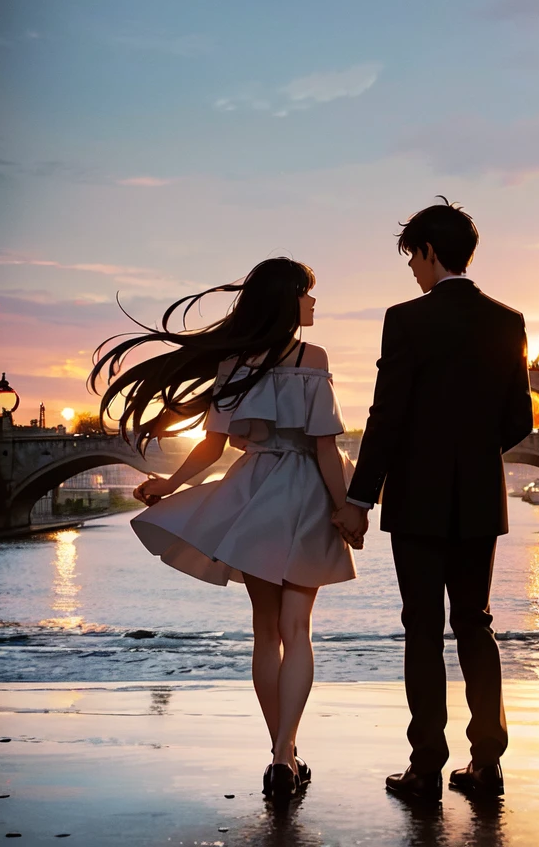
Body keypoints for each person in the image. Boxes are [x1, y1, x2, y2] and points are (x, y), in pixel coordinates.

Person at [90, 258, 359, 802]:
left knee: (265, 632)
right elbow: (326, 447)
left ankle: (280, 757)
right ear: (288, 302)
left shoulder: (236, 363)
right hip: (306, 492)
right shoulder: (314, 359)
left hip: (254, 492)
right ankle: (288, 750)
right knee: (297, 630)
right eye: (308, 295)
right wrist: (345, 508)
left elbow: (212, 449)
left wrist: (168, 485)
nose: (313, 305)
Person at [337, 199, 533, 803]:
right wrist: (471, 454)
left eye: (414, 261)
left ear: (427, 252)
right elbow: (519, 419)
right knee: (476, 623)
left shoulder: (406, 320)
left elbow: (386, 416)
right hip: (478, 498)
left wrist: (361, 497)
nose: (414, 274)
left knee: (422, 628)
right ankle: (487, 762)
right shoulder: (509, 320)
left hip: (416, 499)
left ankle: (425, 766)